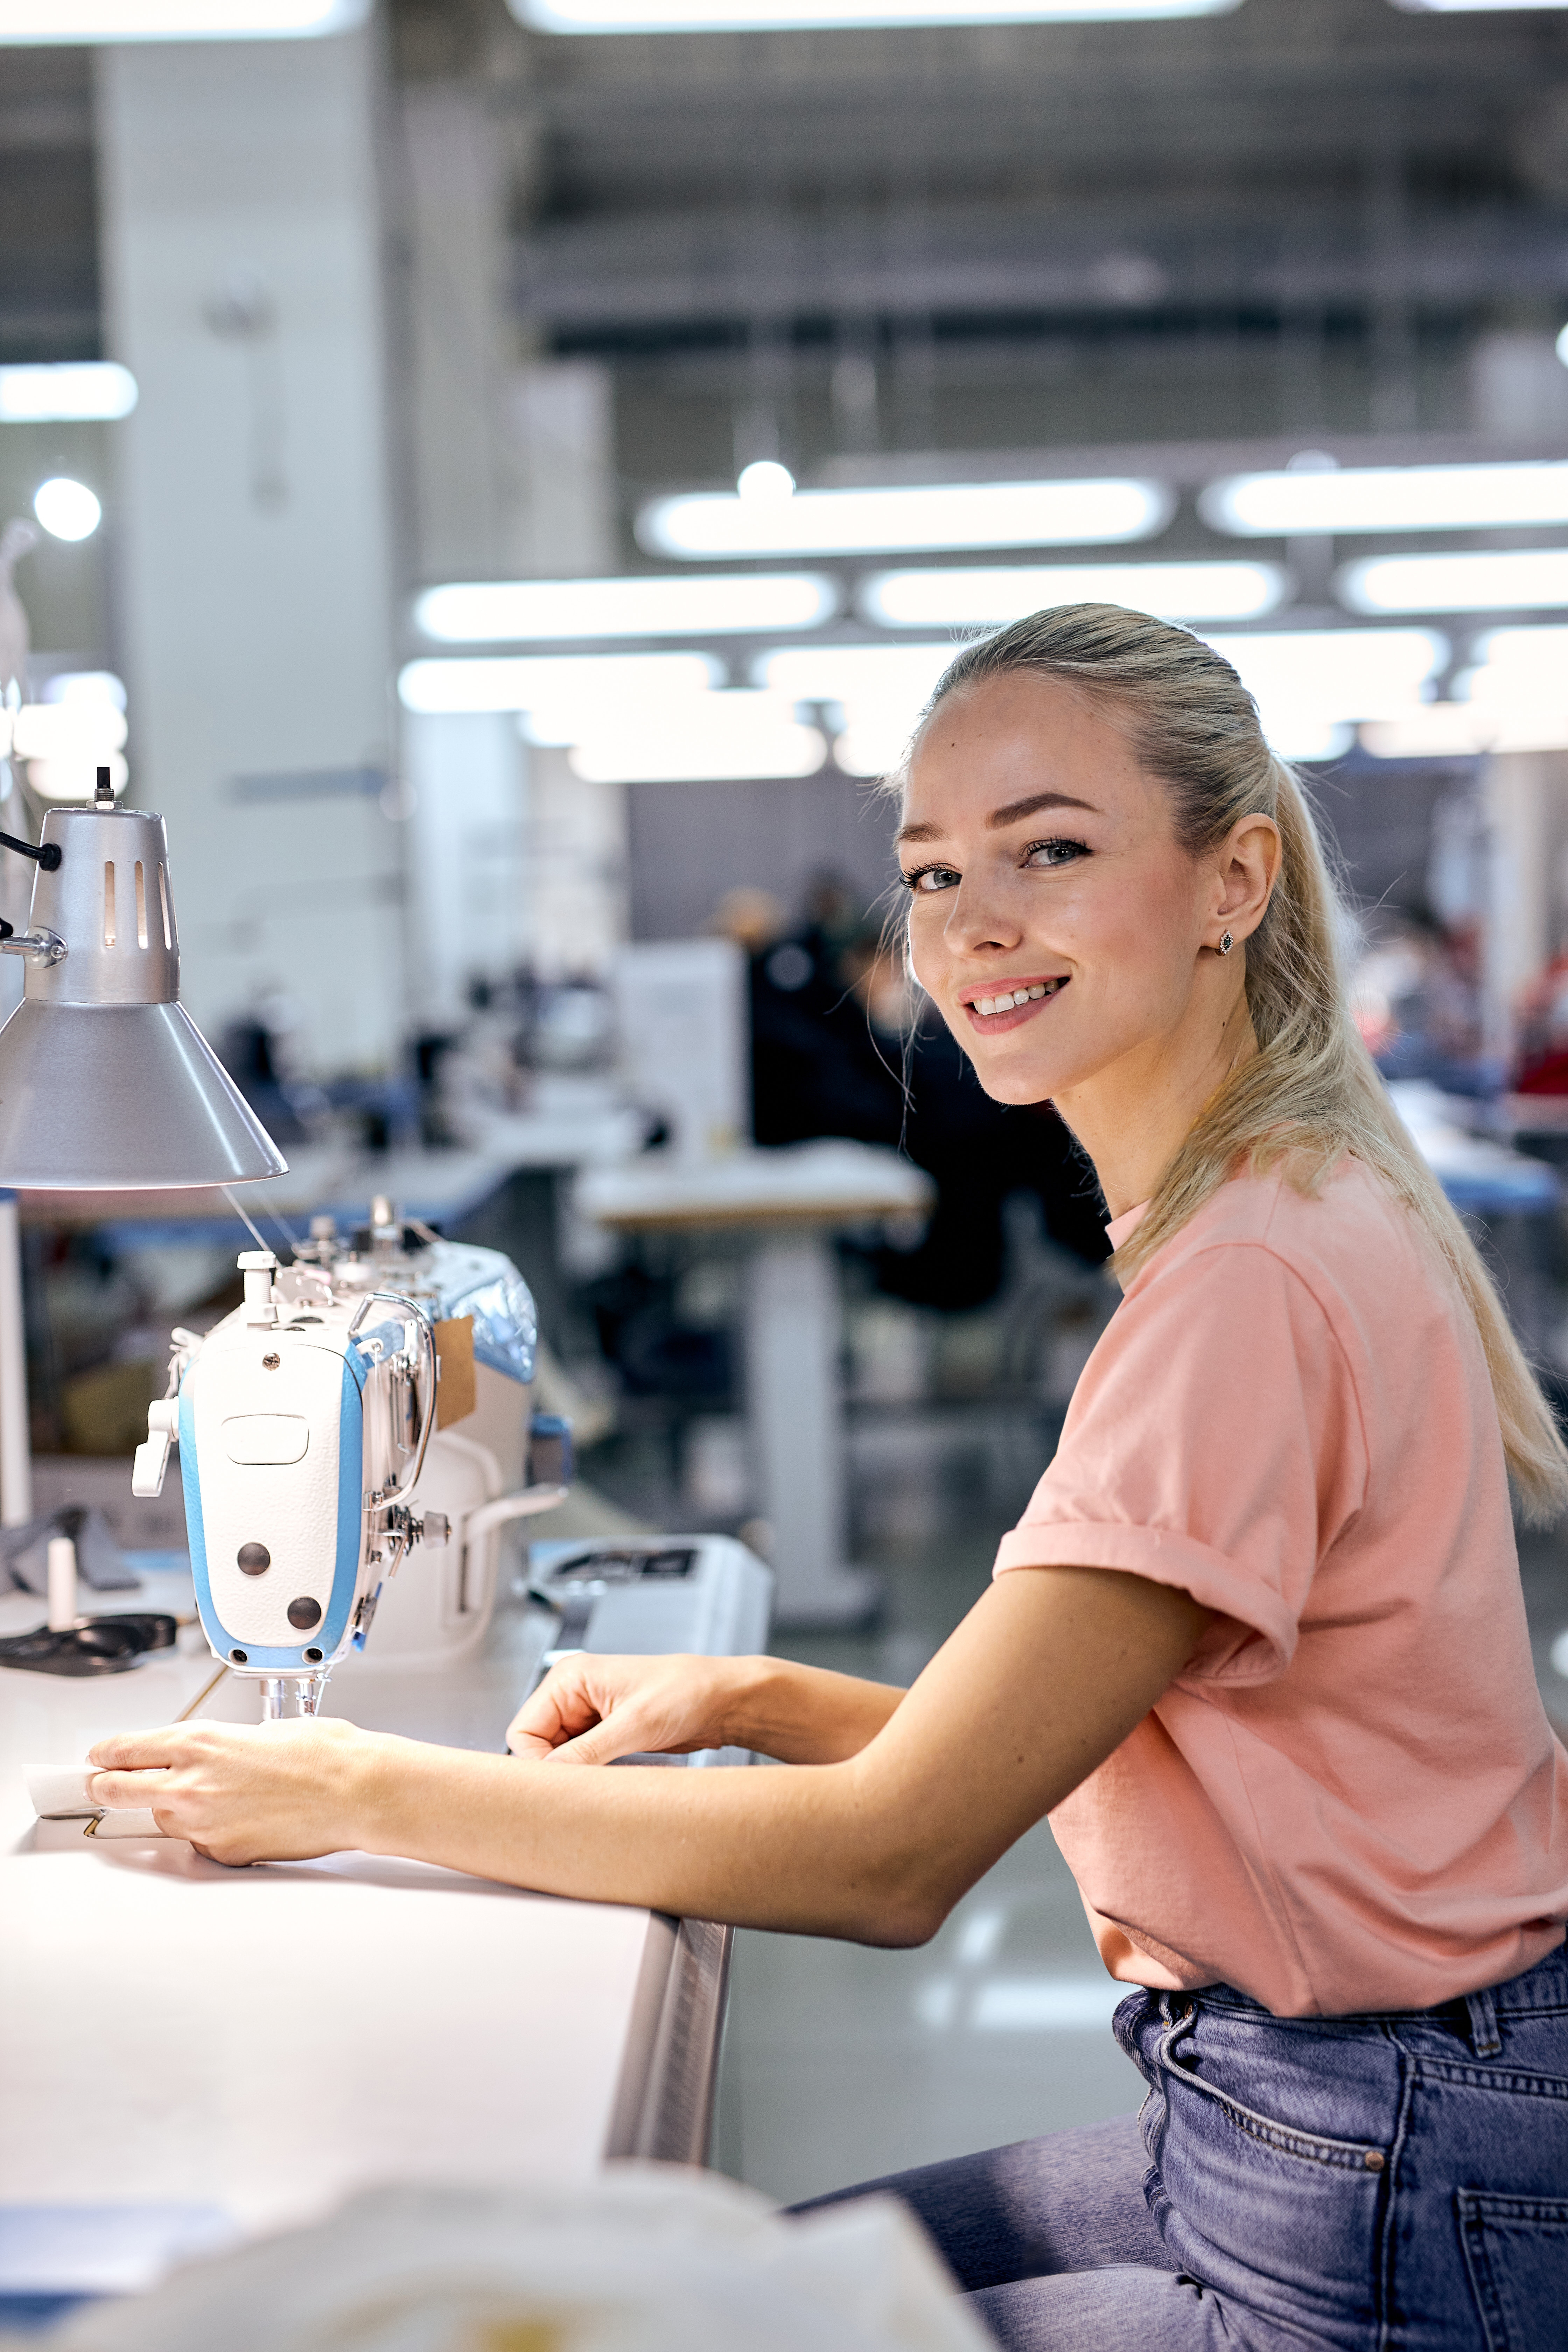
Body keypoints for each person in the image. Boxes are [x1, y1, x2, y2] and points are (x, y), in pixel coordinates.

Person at [88, 605, 1568, 2350]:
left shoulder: (1246, 1280)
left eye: (1052, 851)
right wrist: (765, 1693)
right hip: (1340, 2110)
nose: (973, 925)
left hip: (1376, 2180)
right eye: (933, 873)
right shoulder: (1290, 1198)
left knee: (671, 2317)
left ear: (1232, 879)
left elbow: (893, 1861)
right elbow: (1190, 1752)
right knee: (716, 2272)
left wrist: (356, 1789)